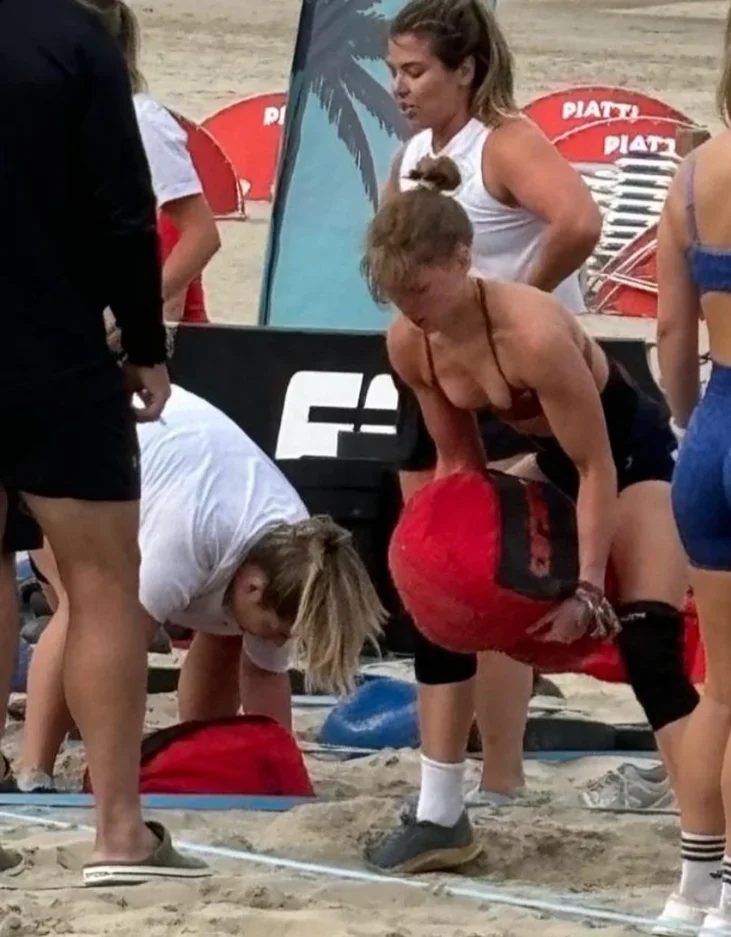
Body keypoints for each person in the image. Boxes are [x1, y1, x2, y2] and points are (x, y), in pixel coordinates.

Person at [361, 154, 698, 874]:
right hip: (547, 459)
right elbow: (458, 466)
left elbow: (596, 465)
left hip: (630, 456)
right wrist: (434, 559)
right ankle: (440, 811)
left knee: (646, 645)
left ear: (463, 257)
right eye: (395, 292)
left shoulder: (535, 332)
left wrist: (585, 589)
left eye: (419, 287)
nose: (410, 305)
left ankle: (720, 841)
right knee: (440, 603)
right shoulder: (410, 339)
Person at [376, 0, 605, 871]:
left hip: (521, 388)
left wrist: (516, 308)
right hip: (440, 377)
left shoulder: (502, 140)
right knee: (439, 582)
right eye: (394, 72)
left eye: (417, 71)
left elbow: (578, 220)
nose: (400, 88)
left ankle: (500, 773)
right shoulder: (412, 157)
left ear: (466, 69)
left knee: (502, 575)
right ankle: (443, 795)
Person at [0, 0, 206, 884]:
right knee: (101, 587)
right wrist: (148, 349)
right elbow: (124, 210)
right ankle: (118, 830)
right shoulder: (77, 37)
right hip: (52, 347)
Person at [18, 382, 386, 790]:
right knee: (84, 613)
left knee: (226, 635)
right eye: (278, 631)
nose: (279, 640)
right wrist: (112, 764)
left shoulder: (296, 556)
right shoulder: (189, 536)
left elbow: (264, 677)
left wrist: (281, 774)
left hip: (165, 459)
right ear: (253, 587)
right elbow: (117, 652)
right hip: (72, 446)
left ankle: (198, 747)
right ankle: (35, 771)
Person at [655, 1, 731, 932]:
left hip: (716, 423)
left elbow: (671, 338)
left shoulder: (691, 174)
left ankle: (695, 887)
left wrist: (694, 424)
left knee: (721, 683)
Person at [79, 0, 220, 324]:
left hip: (159, 341)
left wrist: (138, 314)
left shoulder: (142, 120)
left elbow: (199, 236)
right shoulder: (62, 118)